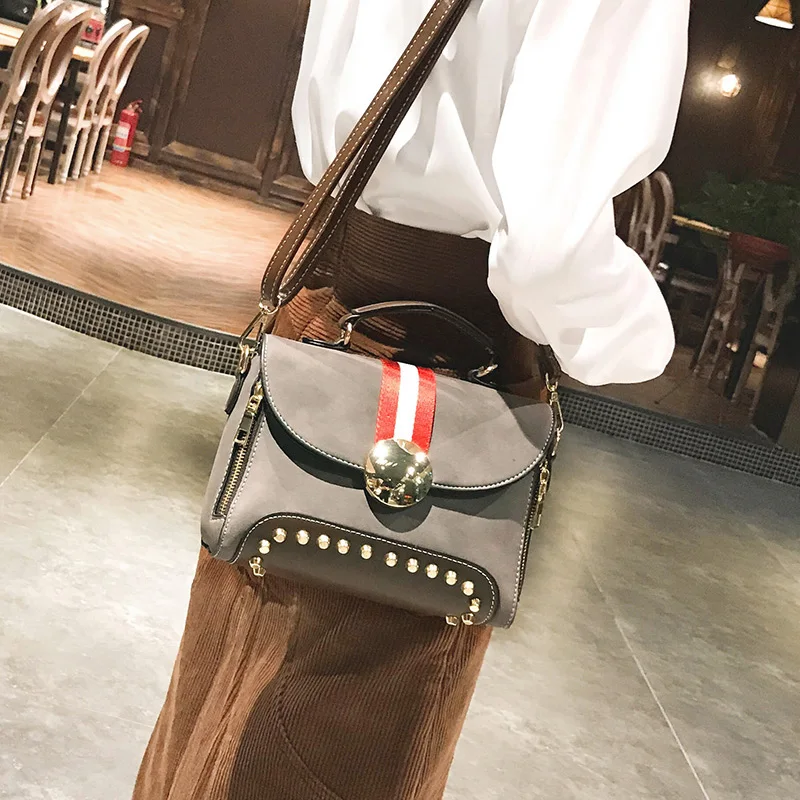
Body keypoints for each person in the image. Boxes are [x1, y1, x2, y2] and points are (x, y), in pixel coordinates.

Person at [133, 1, 690, 798]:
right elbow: (547, 251)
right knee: (340, 747)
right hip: (458, 375)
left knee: (221, 691)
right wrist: (633, 342)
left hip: (322, 334)